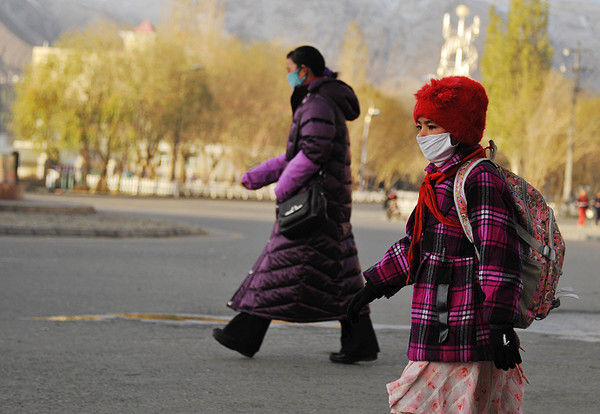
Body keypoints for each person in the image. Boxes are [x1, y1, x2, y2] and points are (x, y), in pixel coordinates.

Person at [346, 76, 527, 413]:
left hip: (470, 323)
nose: (422, 136)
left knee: (418, 406)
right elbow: (416, 244)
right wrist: (373, 284)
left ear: (459, 129)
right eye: (419, 126)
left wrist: (501, 322)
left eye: (432, 126)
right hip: (439, 319)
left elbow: (498, 253)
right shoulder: (437, 179)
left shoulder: (480, 177)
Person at [212, 45, 379, 364]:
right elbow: (296, 154)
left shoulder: (316, 102)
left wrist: (283, 187)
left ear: (304, 70)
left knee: (277, 266)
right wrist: (258, 175)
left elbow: (313, 152)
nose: (287, 75)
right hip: (329, 203)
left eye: (289, 68)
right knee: (338, 277)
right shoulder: (320, 100)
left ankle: (244, 334)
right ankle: (360, 342)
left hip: (315, 206)